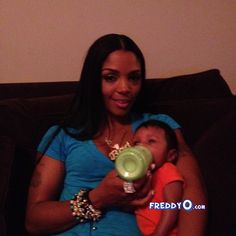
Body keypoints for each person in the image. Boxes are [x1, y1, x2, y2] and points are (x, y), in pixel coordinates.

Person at [25, 34, 207, 236]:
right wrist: (98, 198)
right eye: (110, 77)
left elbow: (192, 194)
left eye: (133, 78)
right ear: (93, 80)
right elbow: (34, 220)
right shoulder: (63, 134)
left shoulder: (159, 128)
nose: (125, 88)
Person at [133, 120, 184, 236]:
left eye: (151, 141)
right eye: (136, 143)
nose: (141, 147)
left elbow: (172, 205)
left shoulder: (167, 170)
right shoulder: (143, 175)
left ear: (170, 155)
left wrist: (159, 233)